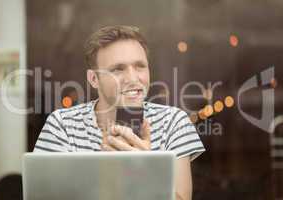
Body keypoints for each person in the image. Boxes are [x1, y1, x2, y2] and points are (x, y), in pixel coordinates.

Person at [34, 25, 205, 200]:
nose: (132, 78)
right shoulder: (62, 125)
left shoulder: (174, 122)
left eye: (140, 66)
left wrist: (146, 172)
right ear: (94, 79)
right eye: (117, 69)